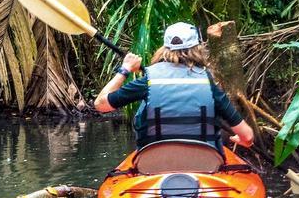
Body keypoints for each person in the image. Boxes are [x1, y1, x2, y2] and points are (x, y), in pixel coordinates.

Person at [93, 22, 254, 151]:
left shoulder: (148, 82)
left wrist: (125, 69)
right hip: (204, 165)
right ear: (198, 48)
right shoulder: (208, 83)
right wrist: (242, 140)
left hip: (153, 165)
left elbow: (101, 105)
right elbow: (247, 136)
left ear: (165, 49)